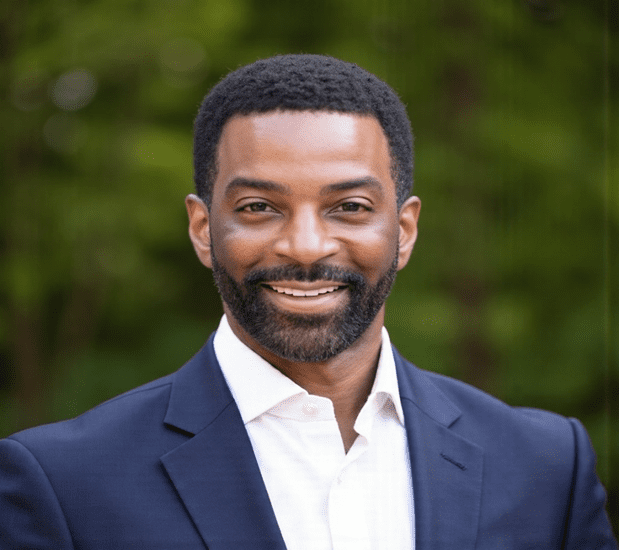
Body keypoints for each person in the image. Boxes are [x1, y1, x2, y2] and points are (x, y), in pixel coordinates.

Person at [0, 54, 615, 550]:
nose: (305, 246)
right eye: (259, 208)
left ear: (402, 230)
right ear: (201, 228)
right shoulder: (62, 485)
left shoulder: (544, 468)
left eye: (348, 207)